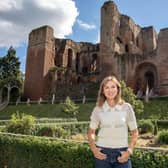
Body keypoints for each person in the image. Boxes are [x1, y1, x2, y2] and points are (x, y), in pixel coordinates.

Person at [88, 76, 138, 168]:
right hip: (102, 154)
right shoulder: (98, 109)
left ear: (118, 89)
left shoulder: (127, 107)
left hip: (122, 153)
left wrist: (129, 151)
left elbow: (134, 132)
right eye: (106, 87)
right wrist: (94, 149)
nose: (110, 90)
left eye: (113, 87)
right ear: (103, 91)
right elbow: (91, 132)